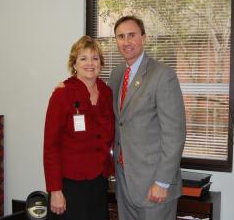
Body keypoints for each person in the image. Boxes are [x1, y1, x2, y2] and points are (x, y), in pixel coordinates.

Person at [107, 15, 186, 220]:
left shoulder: (162, 75)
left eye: (132, 35)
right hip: (124, 178)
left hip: (154, 183)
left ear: (144, 38)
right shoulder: (116, 75)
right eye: (120, 36)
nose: (126, 42)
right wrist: (70, 86)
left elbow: (174, 133)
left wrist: (162, 182)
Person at [43, 35, 114, 220]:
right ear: (74, 64)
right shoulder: (62, 94)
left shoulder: (107, 93)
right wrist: (55, 190)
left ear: (101, 63)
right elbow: (50, 147)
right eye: (83, 58)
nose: (90, 63)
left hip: (99, 182)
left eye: (95, 58)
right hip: (70, 184)